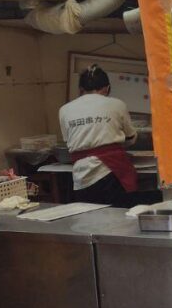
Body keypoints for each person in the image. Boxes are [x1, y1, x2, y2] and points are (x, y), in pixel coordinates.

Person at [59, 65, 139, 207]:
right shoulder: (117, 104)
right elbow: (130, 137)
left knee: (89, 215)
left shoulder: (64, 110)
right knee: (118, 215)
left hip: (82, 175)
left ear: (81, 89)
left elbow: (68, 141)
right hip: (113, 171)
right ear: (107, 88)